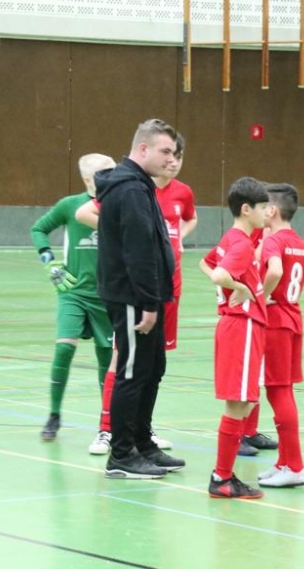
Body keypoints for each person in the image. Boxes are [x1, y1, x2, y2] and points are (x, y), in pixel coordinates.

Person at [78, 134, 194, 455]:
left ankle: (143, 440)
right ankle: (116, 443)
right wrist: (147, 298)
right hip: (136, 294)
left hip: (160, 290)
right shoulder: (130, 189)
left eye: (176, 155)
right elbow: (135, 247)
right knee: (128, 367)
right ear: (144, 149)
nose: (172, 160)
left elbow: (179, 226)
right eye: (166, 152)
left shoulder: (163, 189)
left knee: (152, 367)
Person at [30, 153, 117, 441]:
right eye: (106, 173)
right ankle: (54, 414)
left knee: (107, 357)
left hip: (107, 295)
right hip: (74, 291)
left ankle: (107, 423)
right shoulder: (70, 205)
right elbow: (39, 229)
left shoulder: (118, 204)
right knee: (64, 349)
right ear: (88, 179)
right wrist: (50, 262)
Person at [199, 176, 271, 499]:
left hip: (240, 326)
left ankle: (225, 475)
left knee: (245, 402)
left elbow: (205, 263)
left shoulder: (232, 238)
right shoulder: (241, 244)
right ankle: (222, 478)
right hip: (241, 325)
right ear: (246, 209)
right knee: (237, 403)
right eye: (262, 207)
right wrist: (240, 288)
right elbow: (218, 273)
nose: (267, 213)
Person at [255, 183, 304, 488]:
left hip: (276, 322)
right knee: (282, 390)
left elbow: (275, 271)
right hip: (293, 318)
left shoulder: (274, 241)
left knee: (278, 392)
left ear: (272, 210)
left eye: (264, 206)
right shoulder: (298, 242)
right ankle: (284, 461)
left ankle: (296, 466)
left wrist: (260, 297)